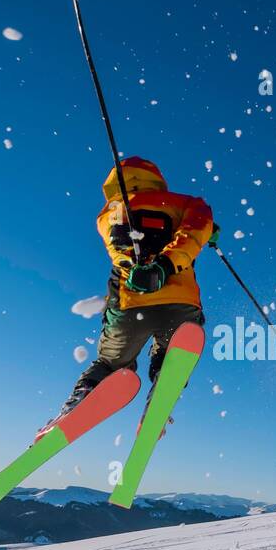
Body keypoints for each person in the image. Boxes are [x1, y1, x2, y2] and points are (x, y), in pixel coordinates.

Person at [39, 156, 216, 440]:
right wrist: (173, 260)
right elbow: (198, 226)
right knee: (173, 354)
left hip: (129, 306)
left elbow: (122, 249)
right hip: (179, 305)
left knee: (110, 364)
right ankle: (161, 394)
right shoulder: (187, 204)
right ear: (156, 179)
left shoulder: (107, 215)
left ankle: (78, 404)